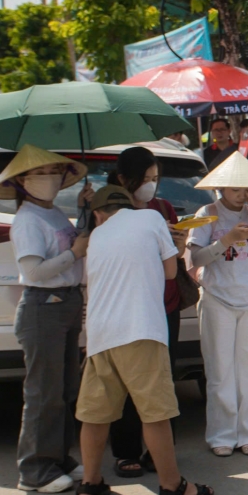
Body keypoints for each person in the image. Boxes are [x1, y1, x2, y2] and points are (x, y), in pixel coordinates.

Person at [74, 185, 214, 495]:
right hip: (140, 329)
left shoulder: (96, 238)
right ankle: (172, 486)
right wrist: (174, 247)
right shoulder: (151, 217)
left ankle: (89, 484)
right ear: (130, 205)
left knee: (95, 415)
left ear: (98, 214)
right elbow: (169, 271)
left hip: (99, 335)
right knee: (155, 413)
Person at [0, 147, 91, 493]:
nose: (51, 177)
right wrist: (73, 253)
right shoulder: (27, 220)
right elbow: (33, 271)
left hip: (64, 303)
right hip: (43, 306)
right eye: (42, 171)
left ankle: (57, 458)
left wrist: (84, 210)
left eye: (55, 170)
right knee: (43, 392)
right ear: (22, 180)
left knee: (64, 389)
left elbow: (74, 243)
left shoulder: (54, 215)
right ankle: (35, 471)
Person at [106, 145, 191, 478]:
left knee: (162, 381)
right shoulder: (110, 211)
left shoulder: (163, 208)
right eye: (146, 178)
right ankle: (126, 451)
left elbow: (174, 261)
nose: (152, 185)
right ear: (125, 179)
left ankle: (159, 453)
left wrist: (179, 243)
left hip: (163, 306)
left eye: (156, 178)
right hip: (128, 308)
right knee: (126, 382)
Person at [187, 154, 248, 455]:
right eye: (236, 189)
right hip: (218, 298)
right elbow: (195, 259)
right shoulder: (208, 214)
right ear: (222, 188)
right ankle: (222, 436)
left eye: (247, 189)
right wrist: (227, 239)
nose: (242, 194)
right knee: (220, 370)